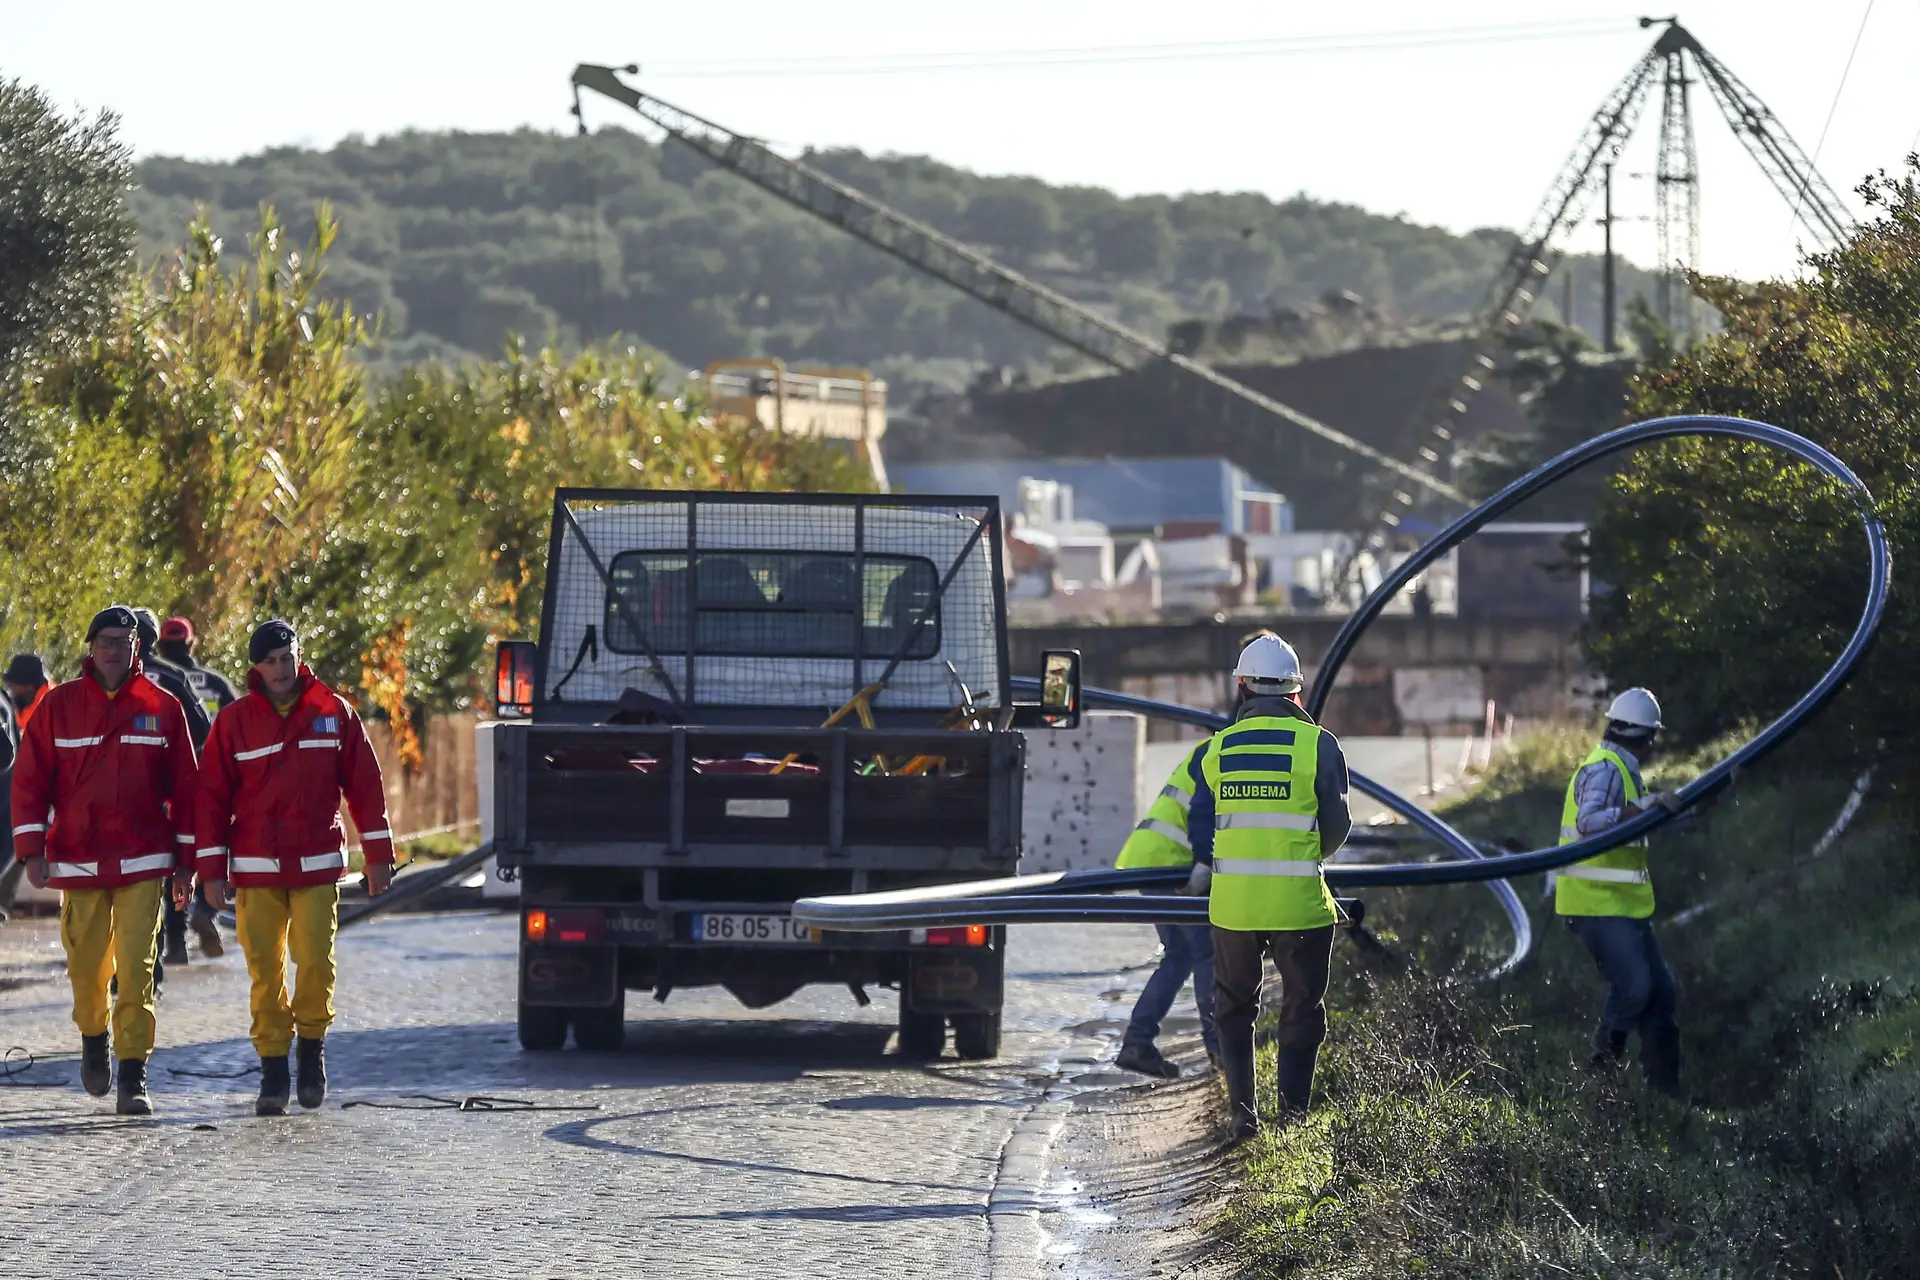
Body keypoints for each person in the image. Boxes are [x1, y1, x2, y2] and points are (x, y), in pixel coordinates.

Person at [195, 619, 396, 1115]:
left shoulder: (334, 713)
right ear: (256, 668)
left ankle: (311, 1050)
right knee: (265, 973)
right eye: (270, 662)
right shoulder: (234, 723)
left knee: (315, 962)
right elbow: (211, 800)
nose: (281, 669)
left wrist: (379, 857)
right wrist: (211, 870)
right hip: (255, 867)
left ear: (297, 657)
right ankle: (273, 1072)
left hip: (316, 866)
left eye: (287, 658)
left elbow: (365, 788)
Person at [10, 606, 199, 1115]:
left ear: (138, 647)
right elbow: (28, 781)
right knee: (88, 970)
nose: (115, 649)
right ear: (91, 647)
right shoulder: (59, 707)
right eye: (106, 640)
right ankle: (95, 1039)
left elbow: (186, 789)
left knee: (137, 970)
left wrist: (187, 863)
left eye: (125, 640)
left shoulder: (163, 707)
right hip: (80, 861)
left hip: (143, 858)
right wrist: (31, 850)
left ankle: (133, 1074)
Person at [1184, 634, 1352, 1142]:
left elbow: (1211, 820)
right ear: (1296, 690)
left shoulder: (1216, 750)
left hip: (1232, 905)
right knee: (1302, 1007)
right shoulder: (1318, 745)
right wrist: (1305, 855)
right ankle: (1293, 1119)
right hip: (1299, 904)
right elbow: (1337, 825)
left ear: (1242, 686)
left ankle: (1242, 1114)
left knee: (1233, 1007)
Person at [1556, 687, 1683, 1095]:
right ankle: (1600, 1075)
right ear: (1650, 739)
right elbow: (1591, 823)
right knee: (1634, 988)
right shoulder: (1607, 770)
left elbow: (1634, 823)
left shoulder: (1620, 769)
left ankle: (1664, 1093)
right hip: (1595, 904)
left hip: (1620, 905)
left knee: (1660, 994)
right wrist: (1642, 809)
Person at [1112, 735, 1221, 1079]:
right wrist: (1205, 862)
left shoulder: (1214, 745)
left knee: (1180, 955)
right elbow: (1205, 813)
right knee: (1207, 953)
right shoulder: (1221, 751)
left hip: (1154, 858)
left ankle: (1137, 1043)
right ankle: (1220, 1051)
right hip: (1174, 865)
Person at [131, 608, 216, 967]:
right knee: (176, 863)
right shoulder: (175, 678)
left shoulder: (99, 679)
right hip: (170, 788)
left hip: (118, 792)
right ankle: (175, 938)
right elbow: (204, 731)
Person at [156, 616, 238, 720]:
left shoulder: (151, 680)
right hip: (210, 735)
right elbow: (236, 721)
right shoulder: (216, 683)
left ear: (161, 646)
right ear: (191, 643)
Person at [5, 653, 50, 729]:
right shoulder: (23, 700)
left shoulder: (48, 710)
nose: (9, 686)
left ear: (29, 686)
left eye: (13, 683)